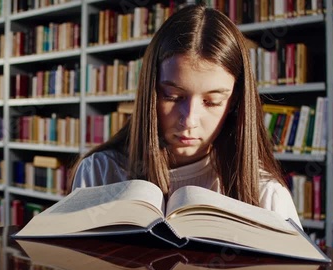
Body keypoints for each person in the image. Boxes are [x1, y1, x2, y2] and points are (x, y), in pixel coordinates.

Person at [70, 4, 302, 228]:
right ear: (151, 94)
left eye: (212, 102)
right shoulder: (99, 173)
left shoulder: (267, 195)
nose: (189, 120)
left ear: (234, 102)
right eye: (172, 96)